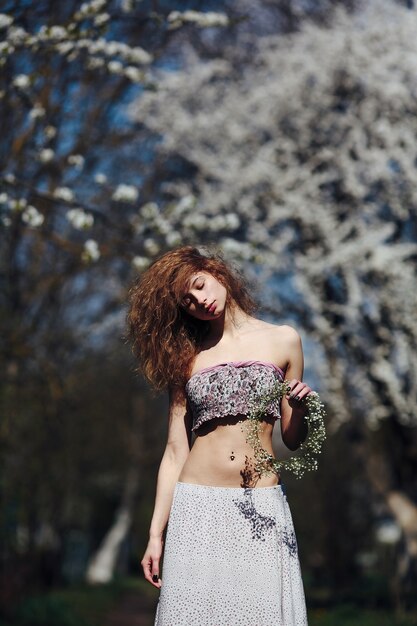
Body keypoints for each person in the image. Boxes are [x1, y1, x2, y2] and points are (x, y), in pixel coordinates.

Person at [127, 245, 312, 625]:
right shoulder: (188, 358)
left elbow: (293, 438)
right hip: (197, 506)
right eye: (188, 301)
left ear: (217, 273)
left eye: (200, 286)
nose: (200, 301)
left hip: (260, 503)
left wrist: (302, 405)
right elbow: (175, 451)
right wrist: (155, 534)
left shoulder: (284, 339)